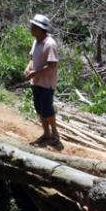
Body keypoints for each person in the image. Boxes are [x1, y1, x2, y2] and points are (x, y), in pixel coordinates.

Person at [23, 14, 60, 146]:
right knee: (39, 108)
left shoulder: (50, 44)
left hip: (47, 83)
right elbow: (33, 59)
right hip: (37, 81)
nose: (31, 28)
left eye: (33, 26)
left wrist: (35, 73)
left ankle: (55, 133)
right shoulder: (36, 41)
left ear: (38, 28)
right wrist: (28, 69)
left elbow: (52, 65)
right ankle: (46, 132)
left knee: (47, 108)